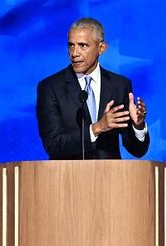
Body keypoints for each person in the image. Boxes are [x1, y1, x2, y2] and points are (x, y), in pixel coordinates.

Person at [36, 17, 149, 160]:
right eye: (71, 45)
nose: (74, 53)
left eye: (83, 45)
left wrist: (138, 126)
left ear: (101, 48)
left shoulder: (119, 85)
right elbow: (52, 144)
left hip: (111, 173)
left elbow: (137, 151)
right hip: (67, 173)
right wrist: (97, 128)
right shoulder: (50, 87)